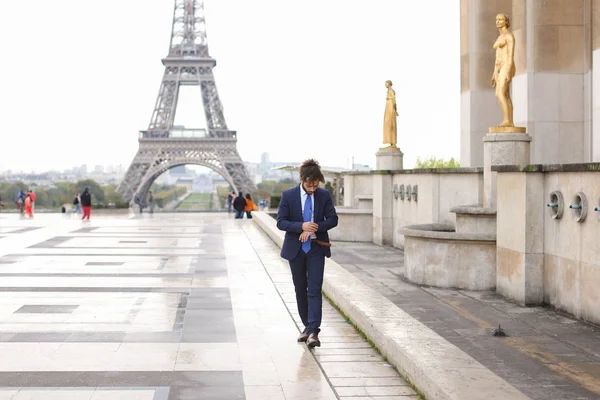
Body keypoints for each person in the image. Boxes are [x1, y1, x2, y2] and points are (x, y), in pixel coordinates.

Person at [276, 159, 338, 348]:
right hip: (296, 250)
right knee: (300, 289)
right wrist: (301, 226)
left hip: (316, 248)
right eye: (309, 184)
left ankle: (313, 331)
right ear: (302, 179)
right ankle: (307, 326)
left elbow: (333, 219)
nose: (312, 188)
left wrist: (314, 228)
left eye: (316, 184)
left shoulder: (324, 195)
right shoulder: (288, 196)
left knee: (314, 289)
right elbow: (281, 222)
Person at [491, 13, 516, 127]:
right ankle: (509, 120)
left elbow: (510, 55)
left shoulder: (509, 36)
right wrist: (494, 71)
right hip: (499, 67)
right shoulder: (500, 37)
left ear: (506, 21)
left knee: (500, 93)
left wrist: (508, 70)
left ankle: (508, 121)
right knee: (503, 94)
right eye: (497, 19)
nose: (498, 21)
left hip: (507, 65)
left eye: (500, 19)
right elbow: (498, 55)